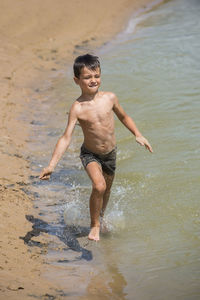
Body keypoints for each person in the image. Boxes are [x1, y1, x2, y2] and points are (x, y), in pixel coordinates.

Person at [39, 53, 153, 241]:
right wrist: (51, 165)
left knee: (106, 191)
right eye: (87, 77)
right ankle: (95, 225)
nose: (93, 80)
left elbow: (124, 117)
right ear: (77, 80)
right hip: (90, 154)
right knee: (98, 186)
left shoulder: (110, 98)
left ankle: (100, 217)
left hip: (110, 154)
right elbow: (66, 137)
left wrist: (138, 134)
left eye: (97, 76)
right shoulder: (77, 108)